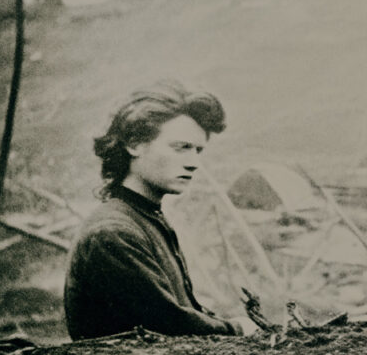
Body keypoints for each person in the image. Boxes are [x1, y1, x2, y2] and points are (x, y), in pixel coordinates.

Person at [64, 80, 256, 340]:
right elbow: (168, 324)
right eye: (181, 147)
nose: (194, 163)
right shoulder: (113, 232)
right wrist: (236, 329)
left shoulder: (145, 218)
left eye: (198, 150)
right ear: (134, 144)